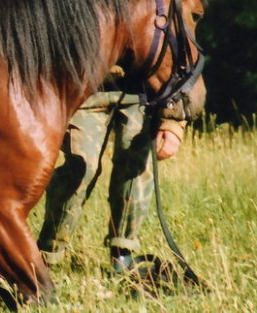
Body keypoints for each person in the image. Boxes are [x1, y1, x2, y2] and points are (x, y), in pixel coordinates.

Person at [37, 79, 186, 273]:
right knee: (80, 168)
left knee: (136, 167)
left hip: (142, 91)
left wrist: (174, 121)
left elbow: (177, 54)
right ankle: (46, 254)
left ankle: (123, 256)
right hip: (86, 86)